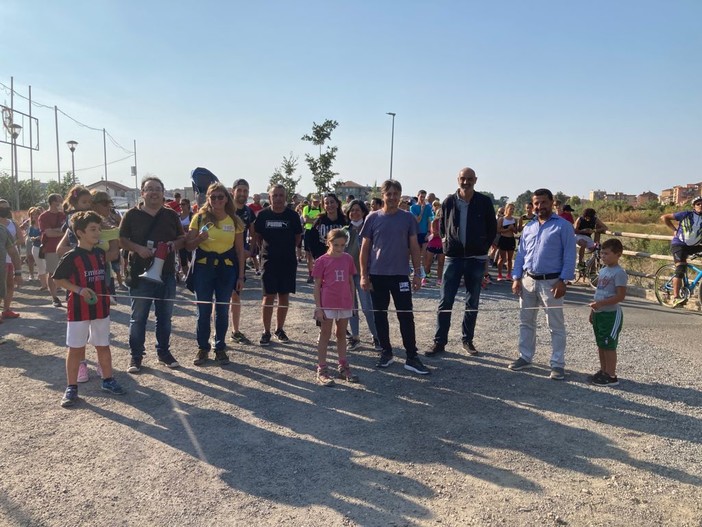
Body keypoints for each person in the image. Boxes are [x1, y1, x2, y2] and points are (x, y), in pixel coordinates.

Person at [52, 211, 125, 407]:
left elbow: (114, 254)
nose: (97, 232)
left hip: (101, 309)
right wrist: (79, 290)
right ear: (80, 232)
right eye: (93, 229)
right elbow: (58, 280)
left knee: (103, 345)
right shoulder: (71, 256)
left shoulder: (101, 254)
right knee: (76, 348)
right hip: (78, 310)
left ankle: (108, 380)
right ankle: (71, 387)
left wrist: (115, 234)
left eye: (99, 229)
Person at [359, 179, 429, 375]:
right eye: (388, 194)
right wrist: (364, 275)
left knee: (406, 315)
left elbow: (415, 247)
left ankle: (411, 357)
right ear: (383, 196)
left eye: (395, 194)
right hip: (377, 275)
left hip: (400, 275)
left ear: (400, 196)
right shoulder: (372, 218)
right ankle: (386, 352)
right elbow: (365, 249)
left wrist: (417, 273)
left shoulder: (407, 218)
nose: (392, 198)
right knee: (380, 315)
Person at [427, 168, 497, 357]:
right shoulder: (448, 201)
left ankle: (468, 340)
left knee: (472, 302)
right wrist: (445, 243)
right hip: (454, 258)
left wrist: (483, 247)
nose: (466, 182)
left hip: (476, 258)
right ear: (458, 179)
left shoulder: (484, 202)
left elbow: (492, 228)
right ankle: (439, 342)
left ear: (475, 180)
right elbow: (442, 226)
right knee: (445, 301)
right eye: (463, 179)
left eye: (469, 179)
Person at [120, 176, 185, 373]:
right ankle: (136, 356)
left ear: (163, 192)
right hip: (140, 274)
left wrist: (175, 245)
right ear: (143, 193)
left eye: (158, 189)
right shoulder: (131, 215)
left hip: (166, 275)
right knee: (138, 318)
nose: (154, 192)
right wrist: (138, 248)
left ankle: (163, 353)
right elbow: (122, 240)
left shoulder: (171, 215)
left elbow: (182, 238)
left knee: (165, 317)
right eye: (150, 189)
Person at [509, 188, 576, 380]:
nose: (539, 207)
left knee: (555, 325)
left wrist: (564, 280)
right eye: (536, 203)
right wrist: (516, 278)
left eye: (543, 203)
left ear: (551, 202)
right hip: (528, 280)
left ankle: (557, 364)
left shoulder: (563, 227)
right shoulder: (529, 227)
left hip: (552, 282)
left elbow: (570, 255)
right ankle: (525, 357)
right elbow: (521, 254)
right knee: (526, 322)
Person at [187, 182, 245, 365]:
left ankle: (220, 347)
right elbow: (188, 246)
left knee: (222, 309)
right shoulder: (199, 218)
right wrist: (199, 239)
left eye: (221, 197)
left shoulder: (234, 221)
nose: (217, 200)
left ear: (227, 198)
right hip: (204, 268)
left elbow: (240, 251)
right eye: (213, 197)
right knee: (203, 310)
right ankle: (202, 347)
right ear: (208, 199)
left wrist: (241, 276)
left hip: (226, 269)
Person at [254, 184, 303, 346]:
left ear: (286, 197)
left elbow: (297, 238)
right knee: (268, 297)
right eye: (275, 195)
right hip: (269, 262)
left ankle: (279, 329)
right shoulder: (262, 216)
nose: (278, 198)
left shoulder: (293, 216)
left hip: (287, 261)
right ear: (269, 198)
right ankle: (266, 331)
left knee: (284, 296)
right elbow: (258, 236)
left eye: (281, 195)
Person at [312, 229, 360, 386]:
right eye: (336, 245)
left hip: (344, 301)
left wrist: (352, 302)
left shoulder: (348, 259)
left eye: (343, 245)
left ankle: (343, 364)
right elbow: (317, 285)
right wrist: (318, 307)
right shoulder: (321, 261)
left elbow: (350, 281)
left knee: (341, 333)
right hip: (328, 303)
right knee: (325, 334)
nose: (339, 248)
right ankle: (322, 368)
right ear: (328, 242)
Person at [588, 238, 627, 386]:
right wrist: (593, 310)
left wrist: (601, 304)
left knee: (609, 345)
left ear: (618, 254)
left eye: (607, 253)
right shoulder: (603, 271)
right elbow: (599, 292)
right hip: (599, 313)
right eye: (602, 253)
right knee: (601, 344)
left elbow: (620, 296)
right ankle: (603, 370)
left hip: (610, 314)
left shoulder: (619, 273)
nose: (603, 256)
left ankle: (611, 375)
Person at [344, 199, 379, 351]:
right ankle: (355, 337)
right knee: (351, 308)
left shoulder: (369, 228)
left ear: (364, 212)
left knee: (367, 308)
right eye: (352, 210)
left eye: (358, 210)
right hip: (347, 275)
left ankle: (376, 336)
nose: (354, 213)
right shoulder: (344, 230)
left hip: (364, 274)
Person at [661, 196, 702, 307]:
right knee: (680, 269)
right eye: (698, 204)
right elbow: (664, 217)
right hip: (679, 244)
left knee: (684, 267)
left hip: (693, 246)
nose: (701, 205)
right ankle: (676, 298)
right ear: (694, 206)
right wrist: (674, 230)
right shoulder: (686, 214)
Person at [229, 178, 256, 344]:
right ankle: (217, 333)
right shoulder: (225, 209)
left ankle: (235, 330)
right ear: (233, 191)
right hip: (223, 257)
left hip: (239, 258)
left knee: (236, 295)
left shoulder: (248, 211)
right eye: (239, 190)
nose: (243, 194)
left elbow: (253, 233)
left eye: (245, 191)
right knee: (222, 296)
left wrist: (250, 251)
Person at [38, 194, 67, 307]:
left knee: (69, 272)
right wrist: (62, 231)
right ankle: (54, 298)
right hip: (51, 248)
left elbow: (69, 230)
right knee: (52, 273)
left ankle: (69, 294)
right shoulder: (43, 216)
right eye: (60, 200)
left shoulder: (64, 215)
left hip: (65, 247)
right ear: (53, 202)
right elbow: (48, 233)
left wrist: (57, 231)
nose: (63, 201)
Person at [0, 200, 24, 319]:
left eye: (6, 207)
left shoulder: (12, 224)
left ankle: (6, 309)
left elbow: (21, 239)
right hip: (2, 259)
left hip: (11, 257)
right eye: (2, 208)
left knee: (10, 285)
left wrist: (10, 243)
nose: (4, 209)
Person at [410, 190, 434, 283]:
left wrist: (429, 232)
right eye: (421, 196)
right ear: (418, 196)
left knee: (424, 255)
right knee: (416, 254)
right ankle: (416, 273)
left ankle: (423, 276)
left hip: (424, 233)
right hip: (415, 233)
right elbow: (417, 220)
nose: (423, 198)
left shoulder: (428, 207)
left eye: (424, 197)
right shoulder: (413, 207)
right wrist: (422, 210)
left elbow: (429, 220)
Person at [302, 195, 323, 283]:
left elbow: (322, 220)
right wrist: (316, 220)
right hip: (309, 231)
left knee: (319, 255)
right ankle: (310, 274)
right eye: (314, 201)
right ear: (311, 201)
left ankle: (318, 273)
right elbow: (306, 220)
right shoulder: (307, 208)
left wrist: (312, 219)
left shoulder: (322, 209)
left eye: (317, 201)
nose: (316, 203)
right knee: (308, 255)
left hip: (318, 232)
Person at [496, 203, 518, 281]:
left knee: (510, 259)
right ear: (506, 209)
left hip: (511, 239)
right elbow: (498, 230)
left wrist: (513, 229)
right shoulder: (502, 219)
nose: (512, 210)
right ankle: (499, 274)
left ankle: (509, 274)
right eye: (510, 208)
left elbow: (516, 231)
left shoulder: (514, 219)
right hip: (503, 239)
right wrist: (508, 229)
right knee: (502, 258)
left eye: (513, 209)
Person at [177, 198, 193, 281]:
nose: (181, 206)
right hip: (181, 241)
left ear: (188, 205)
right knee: (183, 259)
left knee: (191, 258)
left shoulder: (192, 216)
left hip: (190, 241)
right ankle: (186, 276)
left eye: (183, 204)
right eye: (180, 204)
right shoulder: (178, 216)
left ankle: (192, 275)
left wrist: (187, 228)